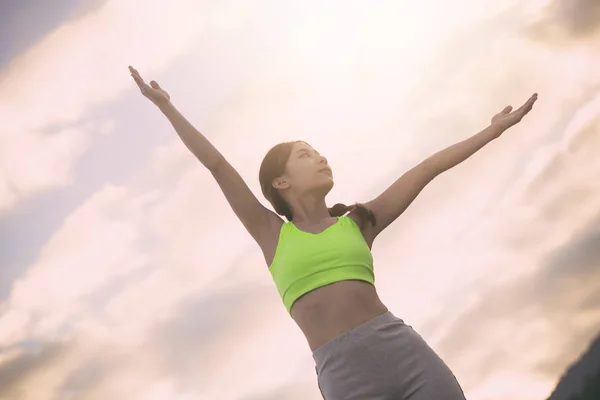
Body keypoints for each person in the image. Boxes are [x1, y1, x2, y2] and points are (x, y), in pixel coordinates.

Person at [129, 66, 537, 399]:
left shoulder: (359, 222)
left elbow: (427, 169)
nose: (320, 158)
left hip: (405, 355)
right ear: (280, 184)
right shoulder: (270, 233)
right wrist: (168, 108)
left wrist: (494, 130)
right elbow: (216, 164)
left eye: (318, 152)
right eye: (305, 155)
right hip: (345, 377)